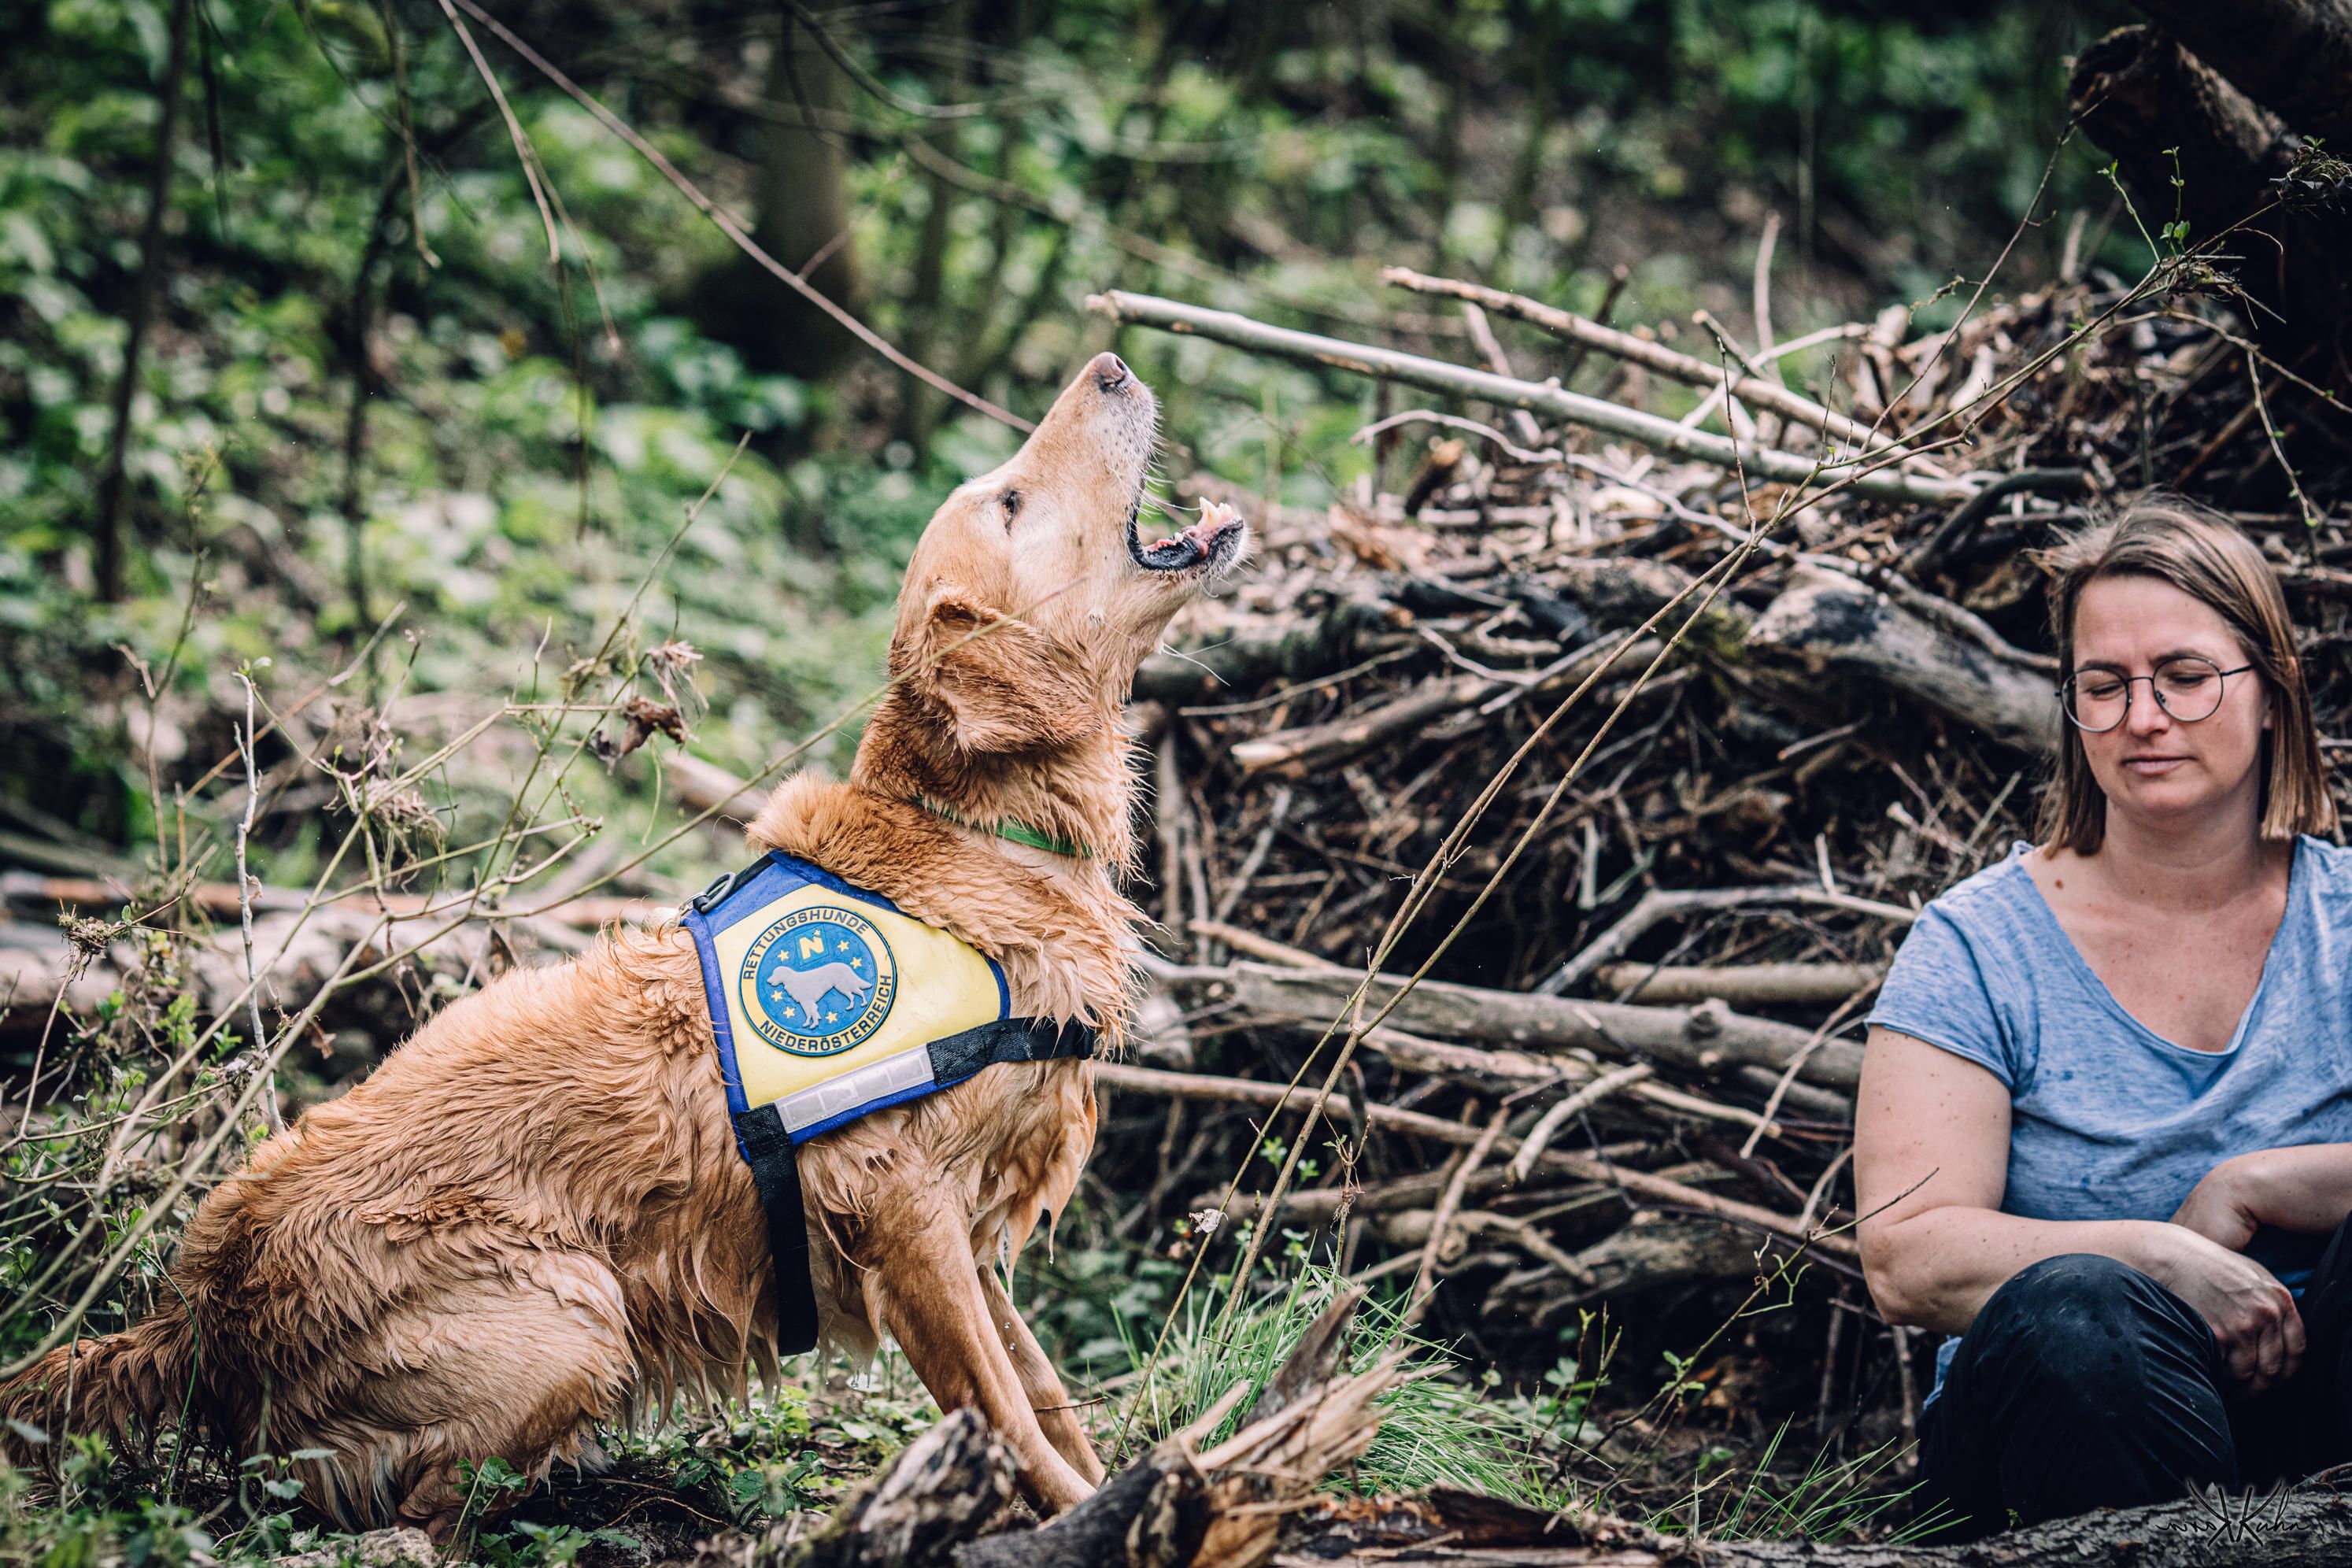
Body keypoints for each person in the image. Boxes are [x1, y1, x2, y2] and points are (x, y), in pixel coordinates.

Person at [1854, 495, 2352, 1536]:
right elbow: (1903, 1255)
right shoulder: (1977, 947)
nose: (2143, 717)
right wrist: (2156, 1256)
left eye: (2183, 677)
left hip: (2325, 1407)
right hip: (2068, 1428)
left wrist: (2254, 1186)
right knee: (2074, 1307)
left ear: (2271, 692)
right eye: (2104, 686)